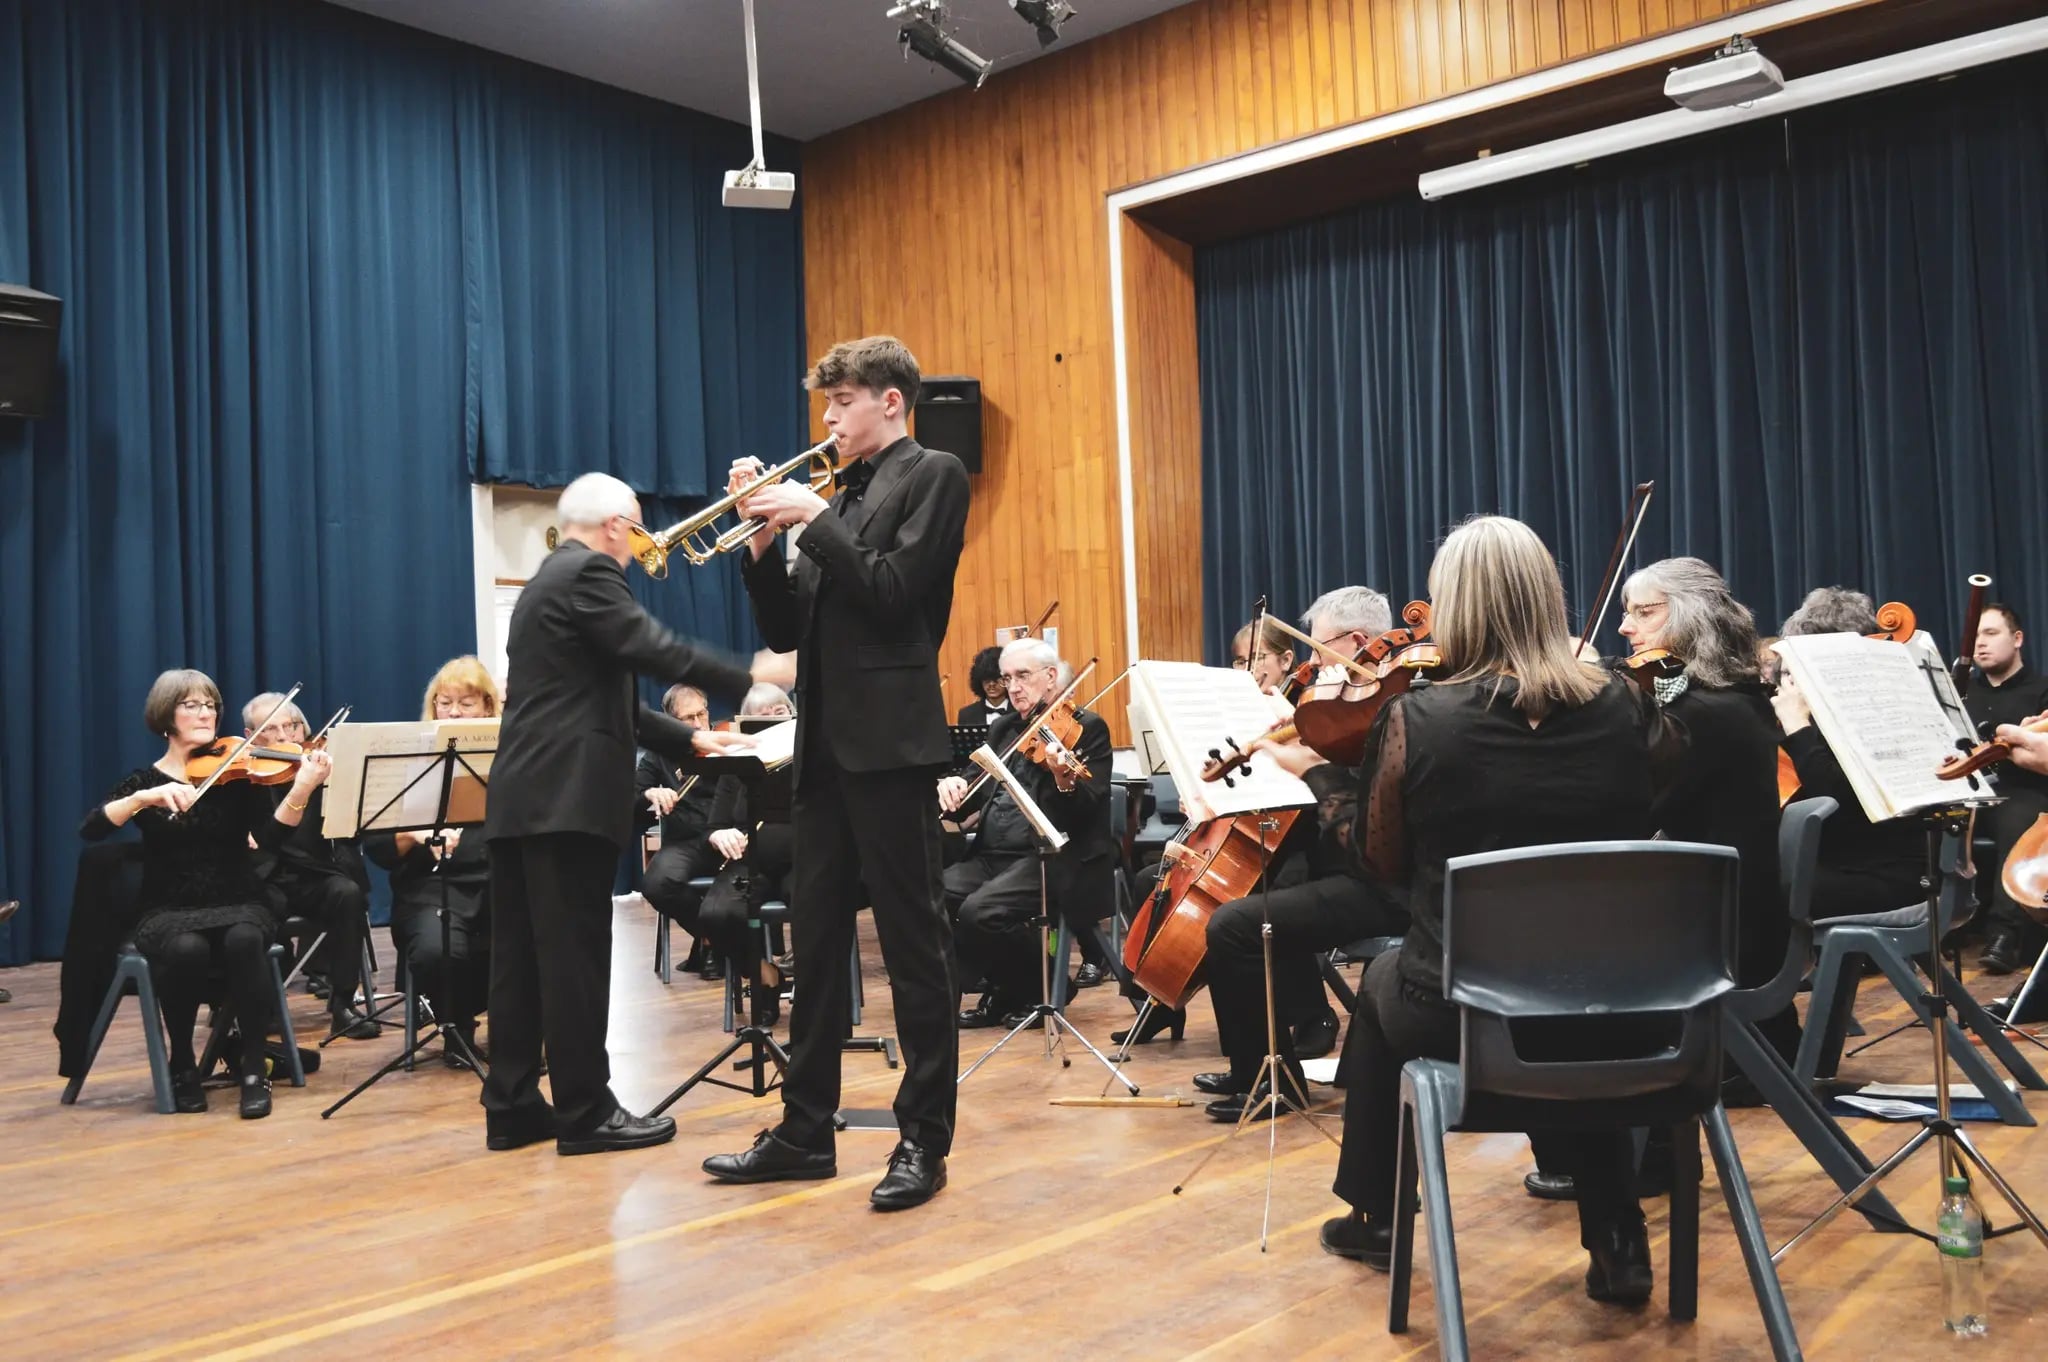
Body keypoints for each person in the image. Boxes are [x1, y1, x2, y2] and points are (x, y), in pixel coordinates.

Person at [1318, 516, 1683, 1312]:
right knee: (1564, 987)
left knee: (1386, 977)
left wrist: (1329, 791)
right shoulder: (1627, 705)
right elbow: (1663, 807)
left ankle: (1377, 1213)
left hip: (1468, 1017)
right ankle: (1616, 1231)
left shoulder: (1419, 719)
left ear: (1454, 605)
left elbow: (1378, 863)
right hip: (1623, 1016)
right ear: (1547, 598)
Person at [704, 335, 970, 1211]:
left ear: (890, 402)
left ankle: (922, 1142)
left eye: (841, 403)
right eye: (825, 405)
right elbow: (789, 634)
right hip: (821, 752)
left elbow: (894, 596)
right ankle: (804, 1130)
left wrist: (809, 522)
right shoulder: (842, 497)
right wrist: (756, 542)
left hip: (892, 750)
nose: (826, 421)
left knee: (914, 949)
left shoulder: (933, 473)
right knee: (815, 949)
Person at [482, 471, 778, 1158]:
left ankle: (514, 1105)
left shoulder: (547, 581)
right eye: (639, 524)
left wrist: (692, 737)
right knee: (576, 960)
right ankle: (586, 1113)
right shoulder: (590, 573)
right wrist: (755, 676)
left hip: (524, 796)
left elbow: (599, 697)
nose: (643, 539)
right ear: (617, 524)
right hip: (566, 798)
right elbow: (656, 650)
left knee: (522, 962)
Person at [1526, 557, 1785, 1201]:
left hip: (1714, 940)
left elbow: (1626, 807)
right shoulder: (1722, 698)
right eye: (1628, 612)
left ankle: (1614, 1153)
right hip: (1720, 913)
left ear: (1691, 620)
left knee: (1537, 956)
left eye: (1645, 611)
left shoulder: (1706, 716)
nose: (1624, 628)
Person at [81, 669, 335, 1118]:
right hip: (169, 905)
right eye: (192, 705)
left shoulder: (236, 772)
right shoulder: (146, 780)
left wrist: (302, 787)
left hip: (238, 895)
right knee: (185, 948)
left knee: (244, 939)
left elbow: (270, 840)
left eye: (211, 704)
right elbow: (93, 827)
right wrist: (145, 799)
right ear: (166, 716)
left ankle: (255, 1068)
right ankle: (182, 1062)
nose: (206, 713)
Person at [1193, 588, 1408, 1119]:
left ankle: (1273, 1082)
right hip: (1342, 867)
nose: (1312, 664)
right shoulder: (1342, 707)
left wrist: (1306, 762)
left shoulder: (1392, 708)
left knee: (1235, 924)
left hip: (1385, 882)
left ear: (1360, 643)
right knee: (1252, 896)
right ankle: (1262, 1062)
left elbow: (1364, 824)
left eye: (1321, 647)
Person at [941, 637, 1114, 1027]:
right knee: (934, 893)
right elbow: (974, 783)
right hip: (993, 855)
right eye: (1007, 679)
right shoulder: (1004, 728)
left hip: (1052, 857)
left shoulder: (1087, 728)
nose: (1013, 688)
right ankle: (1014, 986)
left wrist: (1061, 776)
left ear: (1051, 677)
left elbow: (1087, 804)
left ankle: (1035, 987)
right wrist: (951, 785)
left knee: (979, 912)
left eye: (1023, 676)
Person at [363, 657, 501, 1064]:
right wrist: (414, 833)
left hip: (498, 881)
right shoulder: (410, 760)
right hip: (429, 889)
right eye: (445, 703)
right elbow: (379, 849)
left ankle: (518, 1030)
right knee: (437, 949)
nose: (454, 712)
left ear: (489, 709)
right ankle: (455, 1028)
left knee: (535, 934)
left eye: (467, 703)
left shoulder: (511, 756)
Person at [241, 692, 378, 1043]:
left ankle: (343, 1005)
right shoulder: (243, 777)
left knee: (347, 893)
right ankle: (258, 1004)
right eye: (271, 730)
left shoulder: (318, 768)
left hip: (311, 874)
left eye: (292, 725)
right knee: (255, 911)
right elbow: (264, 844)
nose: (286, 737)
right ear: (250, 736)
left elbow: (350, 829)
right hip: (264, 877)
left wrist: (334, 782)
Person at [697, 683, 798, 1026]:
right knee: (716, 913)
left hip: (801, 860)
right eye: (761, 717)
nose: (772, 720)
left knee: (819, 904)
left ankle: (818, 996)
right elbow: (715, 825)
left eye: (779, 712)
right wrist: (721, 834)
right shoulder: (735, 763)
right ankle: (764, 977)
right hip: (748, 862)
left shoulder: (810, 757)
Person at [1962, 604, 2048, 974]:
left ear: (2017, 639)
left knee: (2021, 818)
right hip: (1968, 790)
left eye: (1991, 633)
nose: (1981, 643)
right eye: (1976, 635)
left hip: (2021, 791)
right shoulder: (1960, 692)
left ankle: (2005, 936)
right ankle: (1934, 927)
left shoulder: (2043, 690)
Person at [637, 683, 726, 978]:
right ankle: (711, 939)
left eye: (703, 714)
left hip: (729, 838)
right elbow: (631, 794)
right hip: (685, 842)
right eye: (689, 719)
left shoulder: (725, 743)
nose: (700, 724)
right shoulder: (658, 754)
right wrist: (650, 793)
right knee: (656, 885)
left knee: (750, 885)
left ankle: (744, 947)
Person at [1229, 616, 1297, 695]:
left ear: (1285, 660)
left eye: (1257, 658)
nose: (1246, 670)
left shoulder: (1305, 706)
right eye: (1241, 662)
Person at [956, 646, 1009, 728]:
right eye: (986, 679)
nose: (991, 684)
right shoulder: (966, 715)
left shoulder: (1021, 712)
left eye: (996, 678)